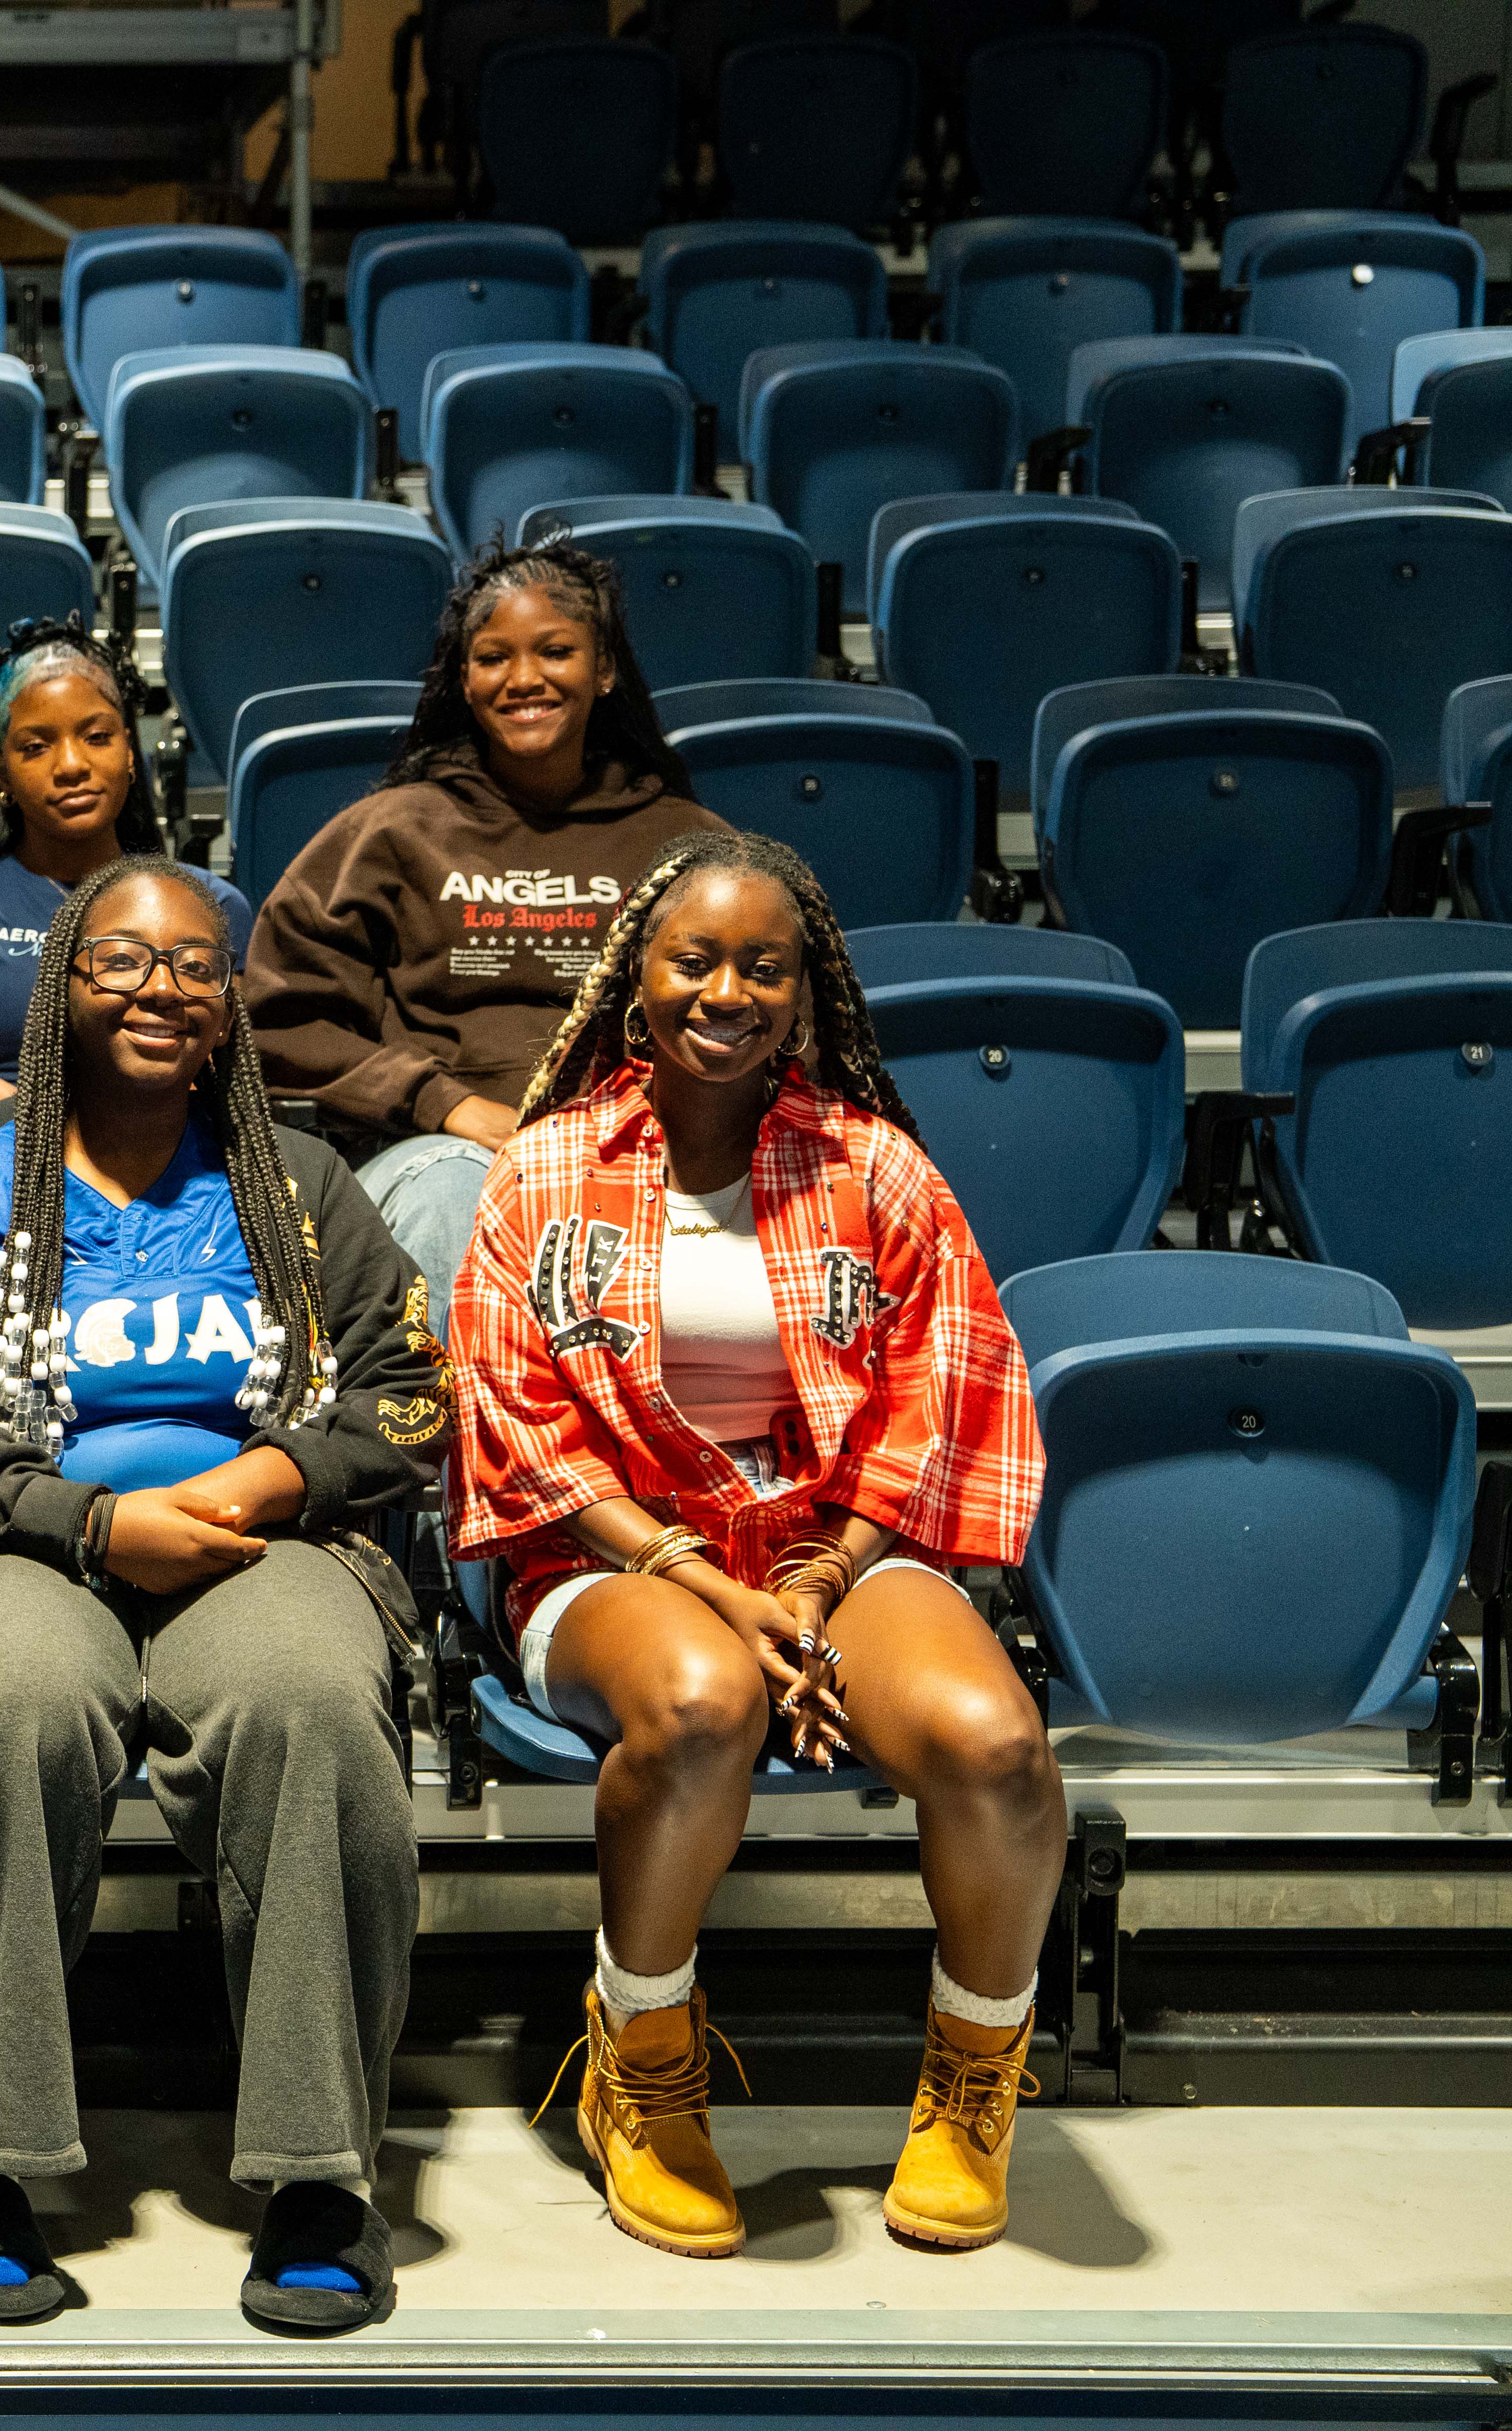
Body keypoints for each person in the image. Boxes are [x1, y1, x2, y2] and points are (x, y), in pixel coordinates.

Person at [0, 855, 443, 2336]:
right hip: (6, 1547)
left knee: (310, 1699)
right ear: (59, 990)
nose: (162, 989)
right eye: (122, 962)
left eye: (194, 964)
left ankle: (320, 2170)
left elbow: (413, 1394)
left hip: (256, 1542)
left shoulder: (297, 1182)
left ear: (229, 999)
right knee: (11, 1700)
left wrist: (264, 1482)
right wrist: (88, 1522)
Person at [447, 830, 1058, 2260]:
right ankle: (642, 2067)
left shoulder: (874, 1169)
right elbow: (516, 1422)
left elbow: (936, 1397)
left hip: (829, 1546)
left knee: (997, 1749)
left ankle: (973, 2079)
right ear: (635, 979)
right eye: (695, 960)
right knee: (702, 1700)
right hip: (610, 1554)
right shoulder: (545, 1168)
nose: (727, 992)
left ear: (806, 992)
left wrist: (824, 1576)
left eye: (763, 967)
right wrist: (710, 1587)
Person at [242, 540, 722, 1296]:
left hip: (637, 1150)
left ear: (604, 670)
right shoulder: (390, 832)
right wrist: (446, 1104)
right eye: (495, 658)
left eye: (555, 652)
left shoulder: (684, 841)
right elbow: (280, 1022)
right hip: (436, 1153)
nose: (524, 678)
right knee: (455, 1195)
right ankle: (438, 1385)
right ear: (464, 680)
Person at [0, 619, 248, 1167]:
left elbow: (218, 1078)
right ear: (1, 773)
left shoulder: (210, 905)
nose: (72, 765)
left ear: (130, 751)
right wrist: (84, 1157)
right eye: (36, 747)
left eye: (97, 738)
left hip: (168, 1174)